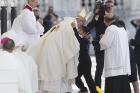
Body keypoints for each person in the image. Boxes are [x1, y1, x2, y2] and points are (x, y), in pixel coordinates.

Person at [27, 8, 89, 93]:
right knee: (57, 70)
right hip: (56, 49)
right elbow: (73, 43)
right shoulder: (71, 25)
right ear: (80, 21)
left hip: (50, 46)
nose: (82, 25)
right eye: (82, 22)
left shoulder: (65, 23)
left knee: (53, 68)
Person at [99, 15, 131, 93]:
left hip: (114, 66)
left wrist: (102, 38)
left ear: (105, 21)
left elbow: (105, 43)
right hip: (123, 65)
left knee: (114, 89)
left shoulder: (110, 29)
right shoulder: (122, 28)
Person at [87, 0, 114, 88]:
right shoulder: (98, 16)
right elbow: (90, 25)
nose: (110, 8)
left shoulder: (113, 16)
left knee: (111, 67)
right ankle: (98, 89)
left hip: (110, 45)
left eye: (111, 6)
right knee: (100, 68)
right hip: (99, 45)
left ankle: (110, 88)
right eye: (108, 6)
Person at [71, 22, 97, 93]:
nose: (79, 31)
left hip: (85, 62)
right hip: (83, 61)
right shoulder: (84, 40)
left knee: (88, 78)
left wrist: (74, 28)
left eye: (81, 30)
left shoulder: (85, 40)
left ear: (85, 33)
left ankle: (91, 90)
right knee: (77, 77)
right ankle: (83, 89)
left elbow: (78, 39)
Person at [118, 20, 139, 93]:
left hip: (126, 58)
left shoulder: (119, 34)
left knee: (126, 79)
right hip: (131, 56)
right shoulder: (126, 33)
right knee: (134, 79)